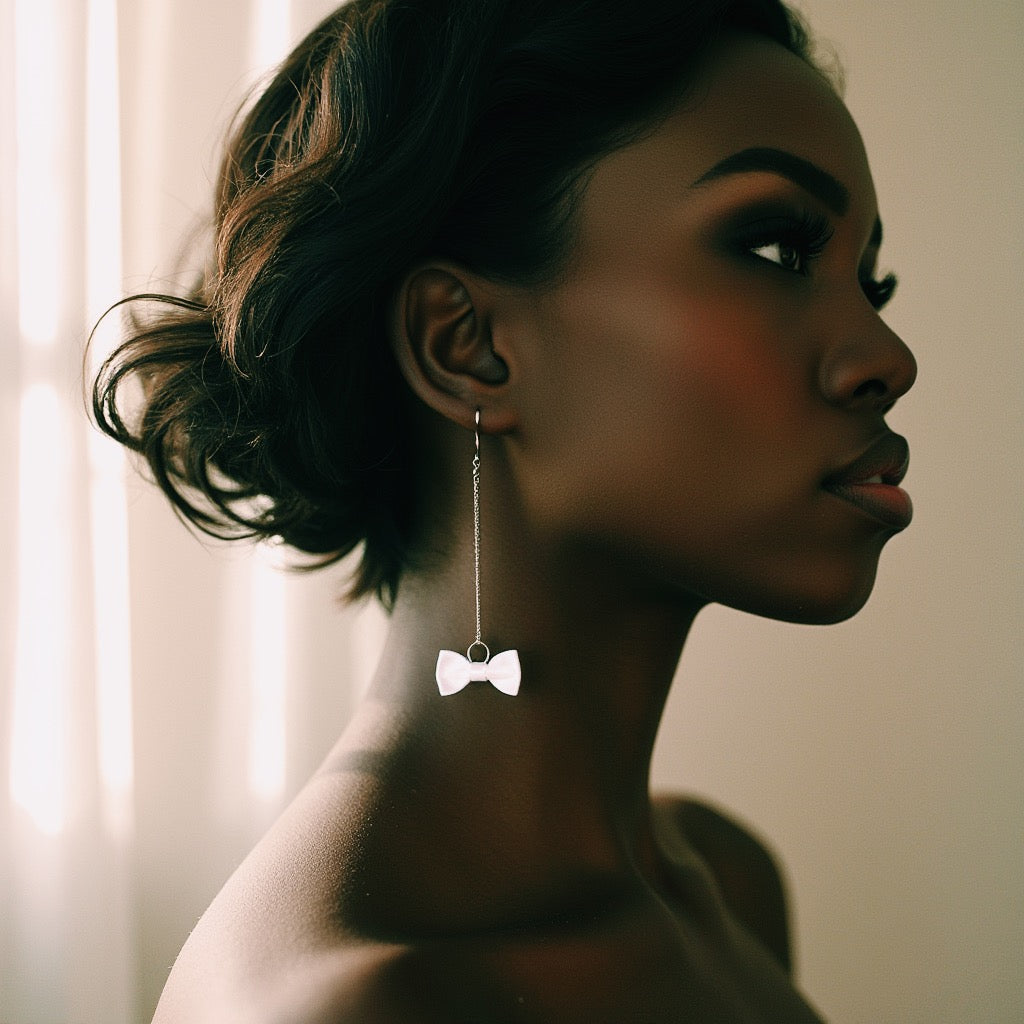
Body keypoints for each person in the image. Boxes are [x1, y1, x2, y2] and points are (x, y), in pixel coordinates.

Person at [92, 0, 917, 1020]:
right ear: (465, 344)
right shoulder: (353, 1004)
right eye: (777, 248)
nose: (888, 357)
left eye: (869, 280)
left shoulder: (727, 884)